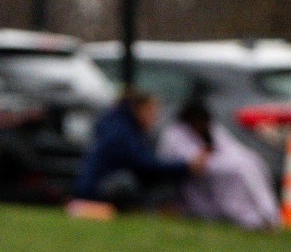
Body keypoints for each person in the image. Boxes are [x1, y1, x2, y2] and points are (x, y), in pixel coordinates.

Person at [157, 95, 281, 231]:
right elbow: (179, 160)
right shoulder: (175, 133)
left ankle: (268, 215)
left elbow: (231, 148)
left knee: (251, 163)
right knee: (238, 172)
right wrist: (200, 159)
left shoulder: (212, 129)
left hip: (224, 167)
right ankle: (251, 218)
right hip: (196, 181)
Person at [71, 89, 206, 212]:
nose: (155, 118)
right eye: (152, 112)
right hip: (96, 194)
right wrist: (186, 166)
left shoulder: (119, 126)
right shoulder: (123, 133)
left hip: (91, 188)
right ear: (141, 109)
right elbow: (147, 165)